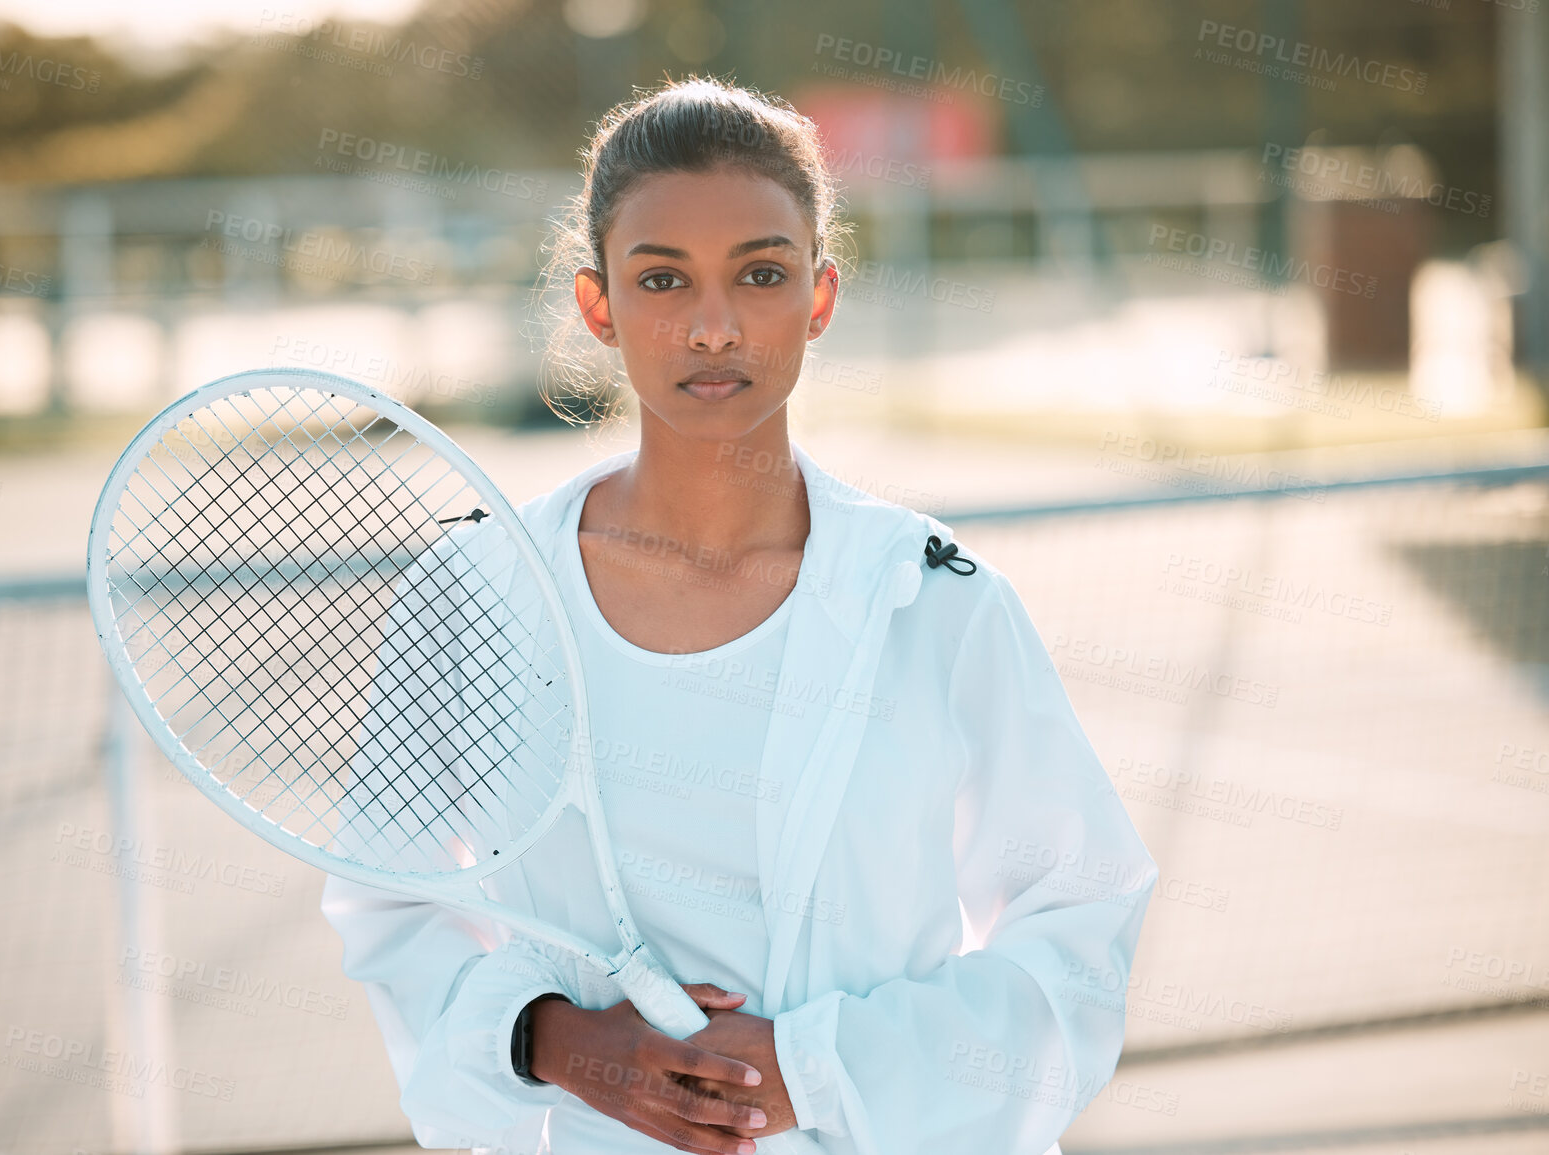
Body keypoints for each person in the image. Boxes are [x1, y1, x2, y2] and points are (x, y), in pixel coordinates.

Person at [320, 75, 1157, 1155]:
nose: (713, 327)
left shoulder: (936, 600)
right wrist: (561, 1045)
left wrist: (813, 1072)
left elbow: (1078, 928)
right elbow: (393, 910)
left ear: (819, 297)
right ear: (599, 307)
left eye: (760, 274)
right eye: (662, 279)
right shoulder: (475, 595)